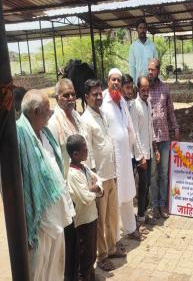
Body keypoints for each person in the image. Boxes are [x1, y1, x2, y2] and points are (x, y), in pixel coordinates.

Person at [16, 89, 75, 281]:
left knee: (56, 267)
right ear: (34, 111)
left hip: (56, 215)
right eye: (47, 109)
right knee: (38, 270)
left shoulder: (45, 132)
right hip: (39, 219)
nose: (50, 113)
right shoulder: (19, 135)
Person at [81, 79, 126, 271]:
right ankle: (101, 256)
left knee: (112, 217)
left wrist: (114, 173)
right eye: (94, 94)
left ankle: (112, 247)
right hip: (99, 178)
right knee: (100, 221)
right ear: (86, 97)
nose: (99, 97)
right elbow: (88, 152)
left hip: (111, 175)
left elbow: (109, 144)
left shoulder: (103, 115)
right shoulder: (86, 120)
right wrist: (94, 179)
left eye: (100, 93)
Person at [48, 78, 86, 281]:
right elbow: (54, 160)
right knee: (70, 241)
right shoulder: (54, 124)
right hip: (66, 191)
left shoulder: (76, 117)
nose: (70, 98)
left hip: (80, 185)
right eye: (65, 95)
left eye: (72, 94)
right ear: (57, 98)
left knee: (81, 236)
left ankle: (81, 274)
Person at [101, 68, 143, 240]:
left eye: (118, 80)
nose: (116, 83)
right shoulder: (103, 102)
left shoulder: (122, 101)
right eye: (113, 80)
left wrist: (137, 152)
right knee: (115, 200)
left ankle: (131, 229)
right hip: (113, 160)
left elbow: (130, 126)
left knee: (127, 194)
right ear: (107, 81)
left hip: (126, 156)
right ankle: (115, 240)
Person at [67, 134, 103, 281]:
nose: (88, 151)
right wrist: (96, 189)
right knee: (84, 256)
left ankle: (91, 276)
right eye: (85, 149)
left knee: (92, 253)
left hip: (92, 216)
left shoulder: (84, 168)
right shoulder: (73, 174)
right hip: (83, 221)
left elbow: (99, 181)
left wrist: (94, 187)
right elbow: (86, 198)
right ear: (75, 154)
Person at [148, 58, 179, 219]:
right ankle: (154, 206)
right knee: (153, 174)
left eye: (153, 69)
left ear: (158, 71)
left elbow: (171, 111)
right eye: (149, 69)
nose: (150, 72)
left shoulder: (165, 89)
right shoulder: (145, 89)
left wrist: (176, 128)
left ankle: (162, 204)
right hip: (151, 139)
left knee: (164, 173)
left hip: (165, 137)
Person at [130, 76, 160, 226]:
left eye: (148, 90)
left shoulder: (147, 103)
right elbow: (134, 133)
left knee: (147, 184)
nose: (146, 93)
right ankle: (141, 216)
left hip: (149, 151)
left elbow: (150, 129)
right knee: (142, 186)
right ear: (138, 89)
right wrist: (140, 157)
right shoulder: (134, 107)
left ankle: (142, 213)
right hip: (141, 154)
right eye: (143, 90)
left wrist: (155, 149)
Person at [128, 18, 158, 83]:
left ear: (146, 29)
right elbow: (132, 66)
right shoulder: (133, 46)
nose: (142, 30)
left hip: (151, 82)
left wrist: (155, 80)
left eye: (144, 28)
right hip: (138, 83)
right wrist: (133, 84)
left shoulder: (152, 45)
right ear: (137, 29)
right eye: (140, 28)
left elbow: (156, 64)